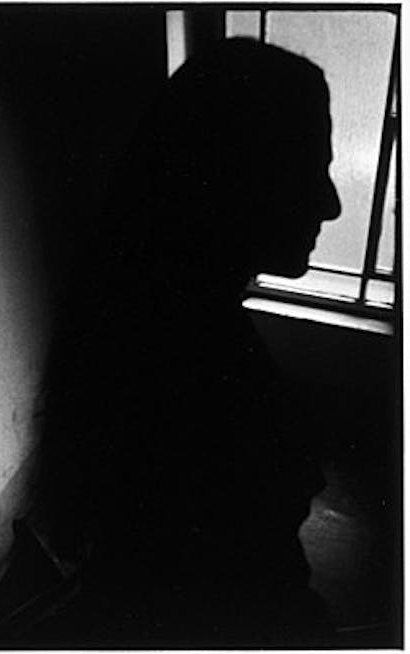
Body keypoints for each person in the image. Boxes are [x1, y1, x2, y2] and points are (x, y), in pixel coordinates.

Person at [37, 38, 341, 646]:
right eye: (308, 168)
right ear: (234, 174)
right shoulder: (193, 360)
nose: (331, 205)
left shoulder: (145, 319)